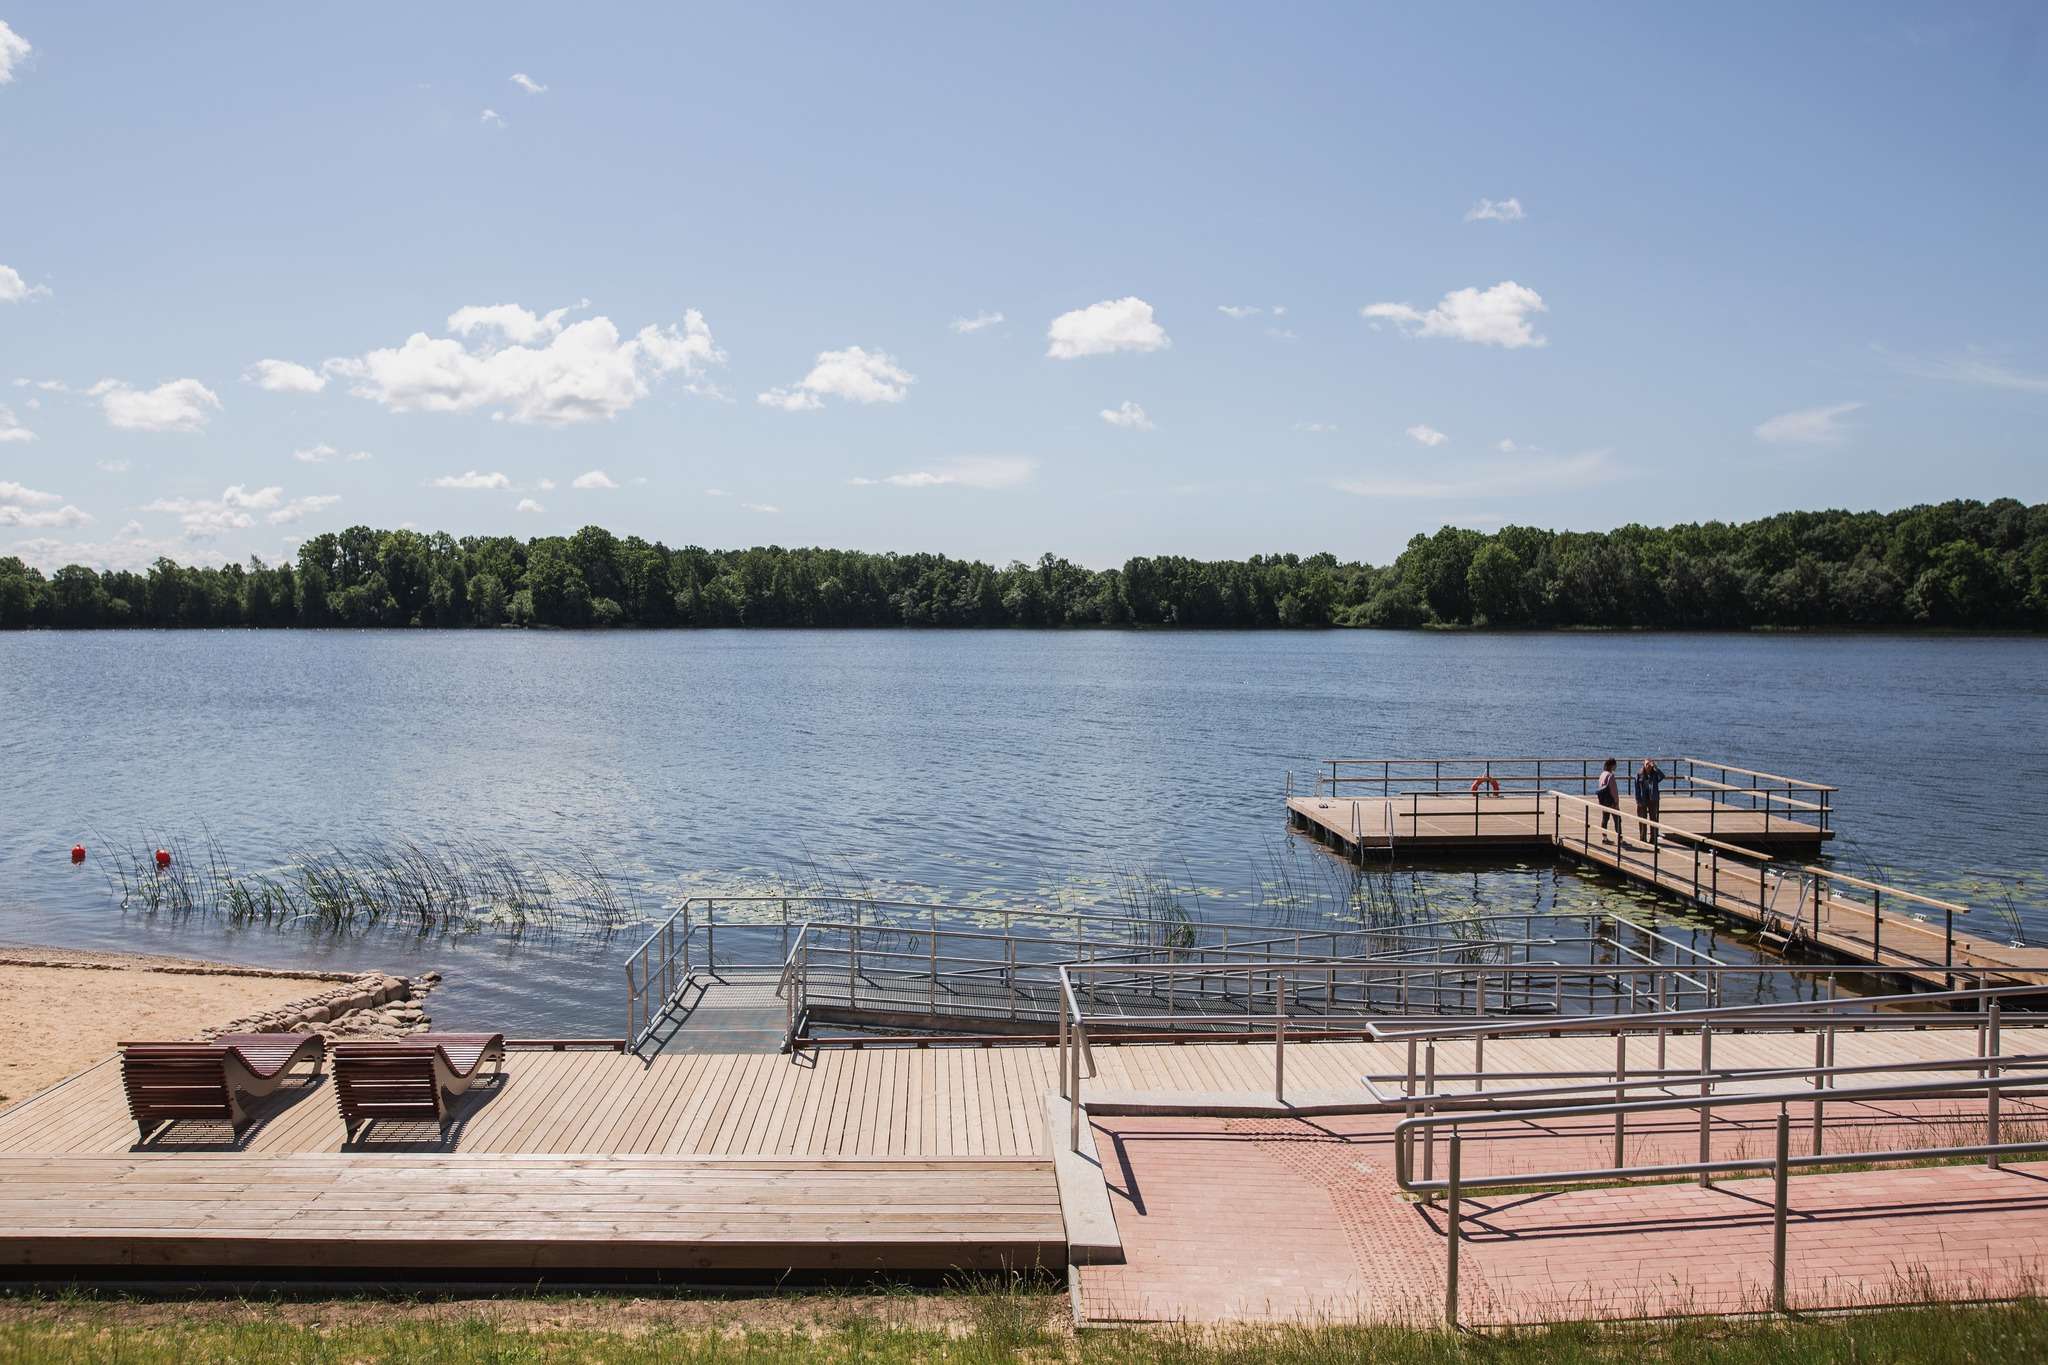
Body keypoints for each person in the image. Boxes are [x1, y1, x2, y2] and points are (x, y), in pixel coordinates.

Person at [1636, 757, 1665, 845]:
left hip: (1653, 799)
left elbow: (1662, 776)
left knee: (1653, 819)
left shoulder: (1655, 773)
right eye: (1646, 764)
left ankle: (1653, 839)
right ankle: (1643, 838)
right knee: (1642, 819)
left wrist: (1655, 767)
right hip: (1643, 798)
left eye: (1650, 764)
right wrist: (1638, 800)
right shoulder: (1639, 774)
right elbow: (1636, 788)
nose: (1648, 766)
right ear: (1643, 764)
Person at [1595, 757, 1623, 842]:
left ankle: (1604, 837)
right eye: (1615, 765)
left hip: (1603, 800)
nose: (1616, 767)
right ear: (1612, 765)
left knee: (1605, 819)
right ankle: (1620, 839)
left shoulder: (1602, 774)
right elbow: (1613, 790)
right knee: (1617, 819)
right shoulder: (1610, 776)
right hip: (1611, 801)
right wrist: (1616, 802)